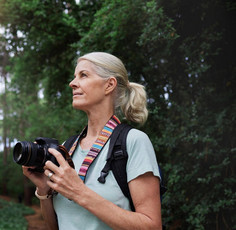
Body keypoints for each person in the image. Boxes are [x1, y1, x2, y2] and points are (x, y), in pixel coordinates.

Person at [22, 52, 162, 230]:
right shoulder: (67, 148)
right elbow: (55, 226)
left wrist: (79, 192)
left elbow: (152, 226)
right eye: (75, 77)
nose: (72, 83)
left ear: (109, 85)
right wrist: (43, 189)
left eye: (83, 75)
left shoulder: (133, 141)